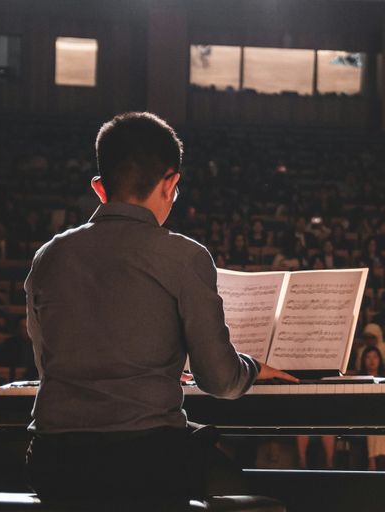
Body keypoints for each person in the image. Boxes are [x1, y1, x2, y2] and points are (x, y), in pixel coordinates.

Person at [23, 113, 297, 507]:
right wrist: (251, 366)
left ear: (100, 188)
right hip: (143, 463)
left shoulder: (47, 256)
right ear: (171, 183)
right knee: (262, 492)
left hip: (54, 464)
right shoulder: (183, 256)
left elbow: (49, 360)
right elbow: (220, 380)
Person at [361, 347, 385, 471]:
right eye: (368, 357)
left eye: (375, 357)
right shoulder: (358, 379)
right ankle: (371, 460)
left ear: (380, 360)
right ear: (363, 360)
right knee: (372, 421)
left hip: (383, 413)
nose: (372, 360)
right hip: (365, 414)